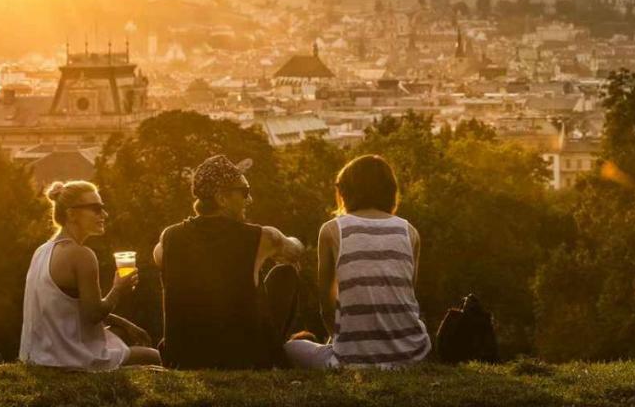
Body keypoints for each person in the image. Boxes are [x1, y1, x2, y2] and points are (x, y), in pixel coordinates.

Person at [154, 155, 305, 368]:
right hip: (243, 357)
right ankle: (273, 353)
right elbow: (295, 251)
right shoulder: (261, 238)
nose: (249, 199)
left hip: (184, 359)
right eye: (244, 192)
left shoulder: (169, 237)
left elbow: (159, 257)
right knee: (285, 273)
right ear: (221, 198)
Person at [284, 154, 431, 369]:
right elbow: (406, 295)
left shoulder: (332, 230)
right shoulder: (410, 232)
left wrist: (340, 340)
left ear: (345, 192)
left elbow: (326, 305)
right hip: (412, 354)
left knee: (290, 347)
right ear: (390, 191)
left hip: (353, 360)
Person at [19, 180, 162, 370]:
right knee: (156, 356)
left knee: (123, 333)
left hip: (38, 355)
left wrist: (126, 324)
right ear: (72, 214)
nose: (104, 214)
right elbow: (93, 314)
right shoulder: (82, 255)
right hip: (67, 360)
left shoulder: (42, 251)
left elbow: (70, 308)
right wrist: (118, 289)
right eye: (95, 208)